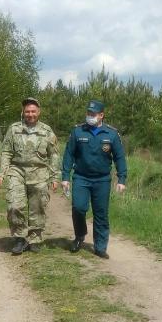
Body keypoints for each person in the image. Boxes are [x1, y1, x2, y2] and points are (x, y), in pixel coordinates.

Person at [61, 99, 127, 259]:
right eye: (88, 113)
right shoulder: (78, 131)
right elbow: (69, 154)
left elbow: (119, 157)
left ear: (101, 115)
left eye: (93, 114)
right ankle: (79, 236)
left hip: (102, 180)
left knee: (101, 214)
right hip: (81, 178)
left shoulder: (111, 134)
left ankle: (100, 247)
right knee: (78, 208)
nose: (89, 116)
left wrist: (121, 179)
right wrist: (65, 177)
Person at [0, 97, 60, 255]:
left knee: (37, 207)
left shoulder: (46, 131)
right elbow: (6, 152)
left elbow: (54, 155)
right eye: (27, 111)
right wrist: (1, 174)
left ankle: (35, 238)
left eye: (33, 111)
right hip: (17, 171)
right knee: (14, 206)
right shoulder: (14, 129)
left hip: (39, 173)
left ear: (39, 112)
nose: (30, 114)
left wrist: (55, 177)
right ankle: (19, 238)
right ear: (23, 112)